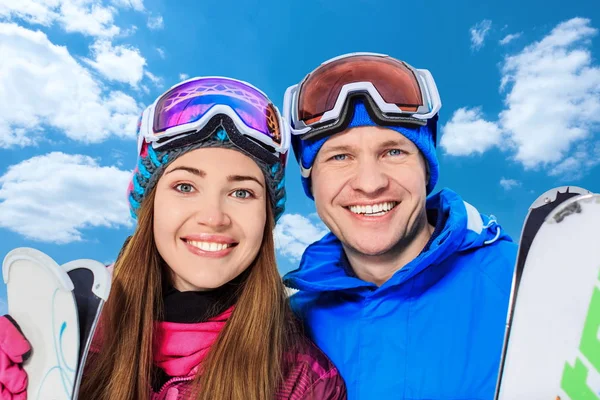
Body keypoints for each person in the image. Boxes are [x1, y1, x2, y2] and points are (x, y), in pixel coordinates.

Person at [0, 76, 346, 400]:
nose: (213, 217)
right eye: (185, 187)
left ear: (267, 218)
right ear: (150, 205)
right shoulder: (64, 327)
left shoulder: (304, 379)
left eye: (241, 193)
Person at [281, 52, 518, 400]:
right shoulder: (289, 325)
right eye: (340, 156)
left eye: (393, 151)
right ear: (312, 183)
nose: (370, 183)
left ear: (426, 170)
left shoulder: (524, 281)